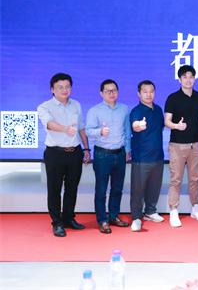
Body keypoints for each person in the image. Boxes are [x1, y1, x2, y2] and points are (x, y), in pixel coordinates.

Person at [37, 73, 90, 237]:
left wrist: (87, 149)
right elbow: (49, 124)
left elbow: (81, 128)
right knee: (54, 189)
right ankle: (57, 222)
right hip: (55, 153)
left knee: (72, 188)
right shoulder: (44, 107)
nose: (64, 90)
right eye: (60, 87)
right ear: (52, 89)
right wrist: (65, 129)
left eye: (67, 87)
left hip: (75, 152)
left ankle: (68, 218)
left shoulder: (76, 105)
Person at [164, 65, 198, 227]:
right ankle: (173, 210)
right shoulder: (173, 98)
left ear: (194, 79)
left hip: (196, 144)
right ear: (180, 79)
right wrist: (177, 126)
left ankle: (195, 207)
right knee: (176, 179)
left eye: (191, 77)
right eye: (185, 77)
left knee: (195, 178)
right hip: (177, 145)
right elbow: (167, 121)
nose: (188, 80)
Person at [85, 79, 131, 233]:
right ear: (101, 93)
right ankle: (102, 220)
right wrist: (100, 131)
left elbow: (127, 131)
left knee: (117, 188)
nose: (111, 93)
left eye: (114, 90)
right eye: (108, 91)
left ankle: (113, 216)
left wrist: (128, 150)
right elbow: (88, 131)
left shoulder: (124, 109)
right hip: (102, 155)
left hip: (120, 154)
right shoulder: (94, 111)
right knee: (101, 190)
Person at [129, 80, 166, 232]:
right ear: (139, 94)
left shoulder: (158, 110)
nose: (148, 94)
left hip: (158, 156)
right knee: (138, 190)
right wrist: (138, 125)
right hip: (142, 157)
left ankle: (150, 211)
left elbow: (160, 128)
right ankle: (136, 217)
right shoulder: (136, 111)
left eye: (151, 91)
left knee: (154, 187)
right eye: (145, 91)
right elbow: (135, 125)